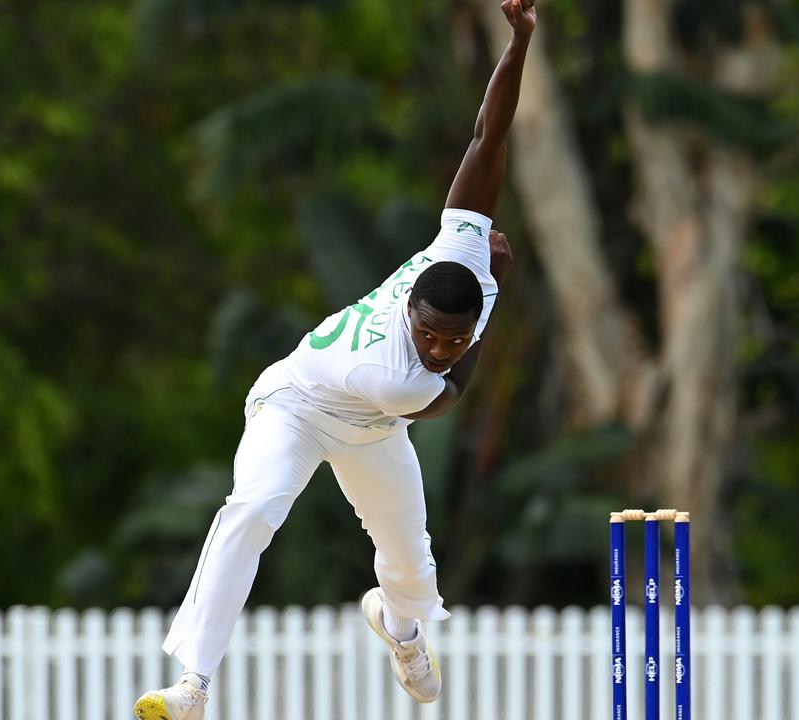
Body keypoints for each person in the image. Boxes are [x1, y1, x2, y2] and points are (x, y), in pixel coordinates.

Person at [134, 0, 537, 717]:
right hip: (296, 404)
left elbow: (488, 135)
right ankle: (192, 683)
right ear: (410, 303)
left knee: (410, 563)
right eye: (429, 334)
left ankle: (401, 628)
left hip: (375, 429)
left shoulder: (464, 253)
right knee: (253, 509)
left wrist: (520, 39)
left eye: (453, 338)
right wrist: (488, 311)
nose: (439, 346)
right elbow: (449, 390)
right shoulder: (400, 368)